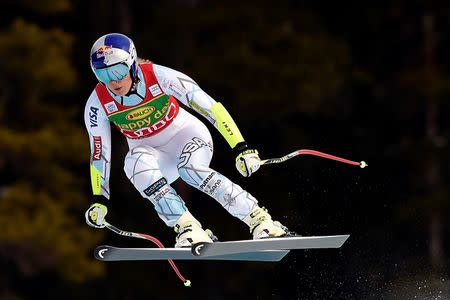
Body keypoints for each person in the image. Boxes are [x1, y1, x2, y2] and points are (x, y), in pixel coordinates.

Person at [84, 33, 291, 247]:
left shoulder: (160, 76)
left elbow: (210, 107)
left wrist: (241, 147)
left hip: (187, 137)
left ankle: (259, 219)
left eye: (118, 70)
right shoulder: (97, 103)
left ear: (132, 63)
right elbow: (99, 153)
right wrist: (100, 199)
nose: (113, 81)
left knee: (190, 168)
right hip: (155, 157)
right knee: (133, 163)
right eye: (103, 74)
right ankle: (187, 227)